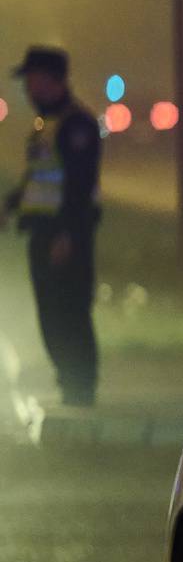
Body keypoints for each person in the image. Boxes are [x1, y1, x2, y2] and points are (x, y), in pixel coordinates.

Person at [4, 47, 101, 406]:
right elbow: (39, 179)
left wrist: (67, 235)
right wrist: (11, 206)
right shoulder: (47, 123)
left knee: (69, 313)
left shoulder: (77, 125)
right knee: (51, 316)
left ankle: (80, 390)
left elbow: (78, 186)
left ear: (51, 79)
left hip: (64, 237)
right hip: (43, 234)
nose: (29, 89)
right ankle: (69, 387)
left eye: (33, 80)